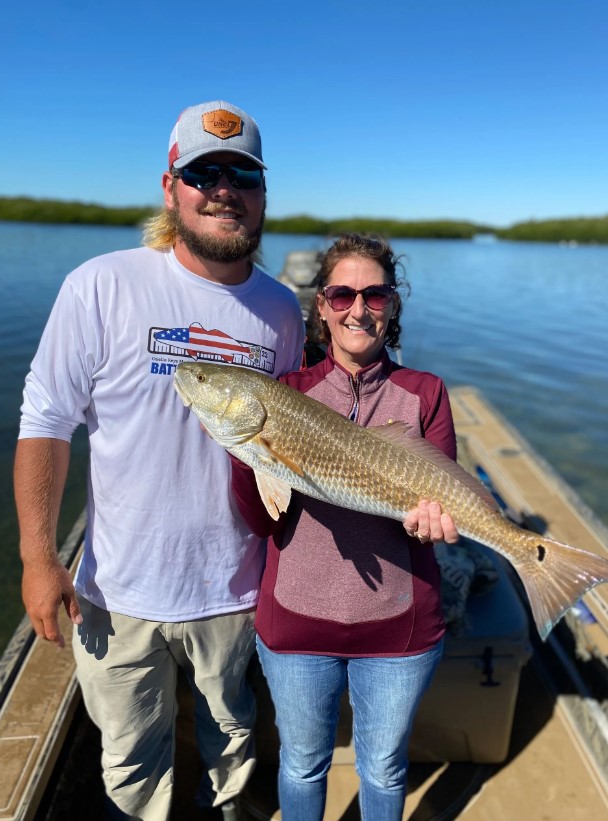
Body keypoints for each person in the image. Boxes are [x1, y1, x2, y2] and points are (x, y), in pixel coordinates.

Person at [14, 100, 305, 821]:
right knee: (131, 764)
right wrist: (38, 557)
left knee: (233, 748)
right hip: (119, 591)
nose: (224, 188)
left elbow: (290, 444)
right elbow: (47, 420)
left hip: (236, 593)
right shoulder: (102, 284)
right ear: (170, 187)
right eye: (204, 173)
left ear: (263, 193)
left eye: (243, 173)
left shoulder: (282, 309)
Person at [231, 233, 459, 820]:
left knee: (382, 768)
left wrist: (433, 522)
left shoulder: (424, 393)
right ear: (322, 308)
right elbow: (260, 519)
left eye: (376, 295)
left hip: (399, 630)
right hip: (296, 626)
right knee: (302, 763)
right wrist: (248, 451)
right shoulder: (285, 394)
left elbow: (436, 508)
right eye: (341, 294)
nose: (359, 309)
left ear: (392, 307)